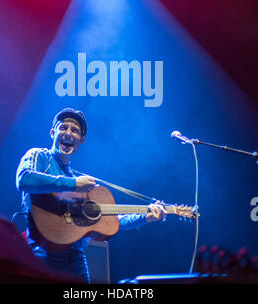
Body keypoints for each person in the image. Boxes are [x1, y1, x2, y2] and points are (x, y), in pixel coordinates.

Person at [16, 108, 167, 283]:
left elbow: (107, 222)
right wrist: (73, 184)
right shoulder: (40, 156)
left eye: (75, 131)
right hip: (44, 251)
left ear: (81, 140)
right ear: (52, 133)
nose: (68, 133)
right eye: (63, 128)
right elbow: (24, 179)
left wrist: (145, 217)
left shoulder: (79, 182)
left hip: (76, 259)